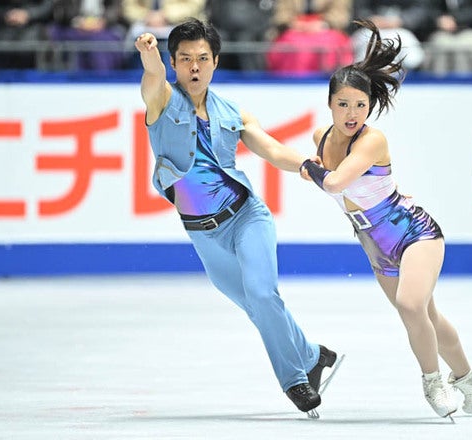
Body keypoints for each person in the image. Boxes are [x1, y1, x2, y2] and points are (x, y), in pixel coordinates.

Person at [300, 20, 472, 418]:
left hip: (414, 232)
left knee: (411, 305)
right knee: (425, 315)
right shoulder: (321, 138)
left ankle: (434, 384)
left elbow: (336, 182)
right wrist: (315, 166)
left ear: (370, 106)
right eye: (343, 104)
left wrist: (310, 169)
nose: (352, 113)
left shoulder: (372, 139)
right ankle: (471, 381)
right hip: (376, 247)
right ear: (330, 104)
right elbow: (333, 179)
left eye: (360, 105)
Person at [133, 17, 338, 416]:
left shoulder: (232, 112)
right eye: (185, 59)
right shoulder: (161, 101)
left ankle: (295, 380)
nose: (194, 67)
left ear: (215, 61)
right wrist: (149, 53)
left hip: (245, 218)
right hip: (203, 234)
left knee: (263, 295)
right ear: (173, 63)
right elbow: (152, 76)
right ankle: (314, 355)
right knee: (258, 308)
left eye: (202, 58)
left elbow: (272, 149)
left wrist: (307, 166)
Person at [49, 0, 128, 71]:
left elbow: (113, 10)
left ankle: (103, 76)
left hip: (103, 28)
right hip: (75, 28)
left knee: (110, 37)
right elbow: (63, 11)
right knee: (55, 32)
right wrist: (76, 22)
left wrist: (103, 22)